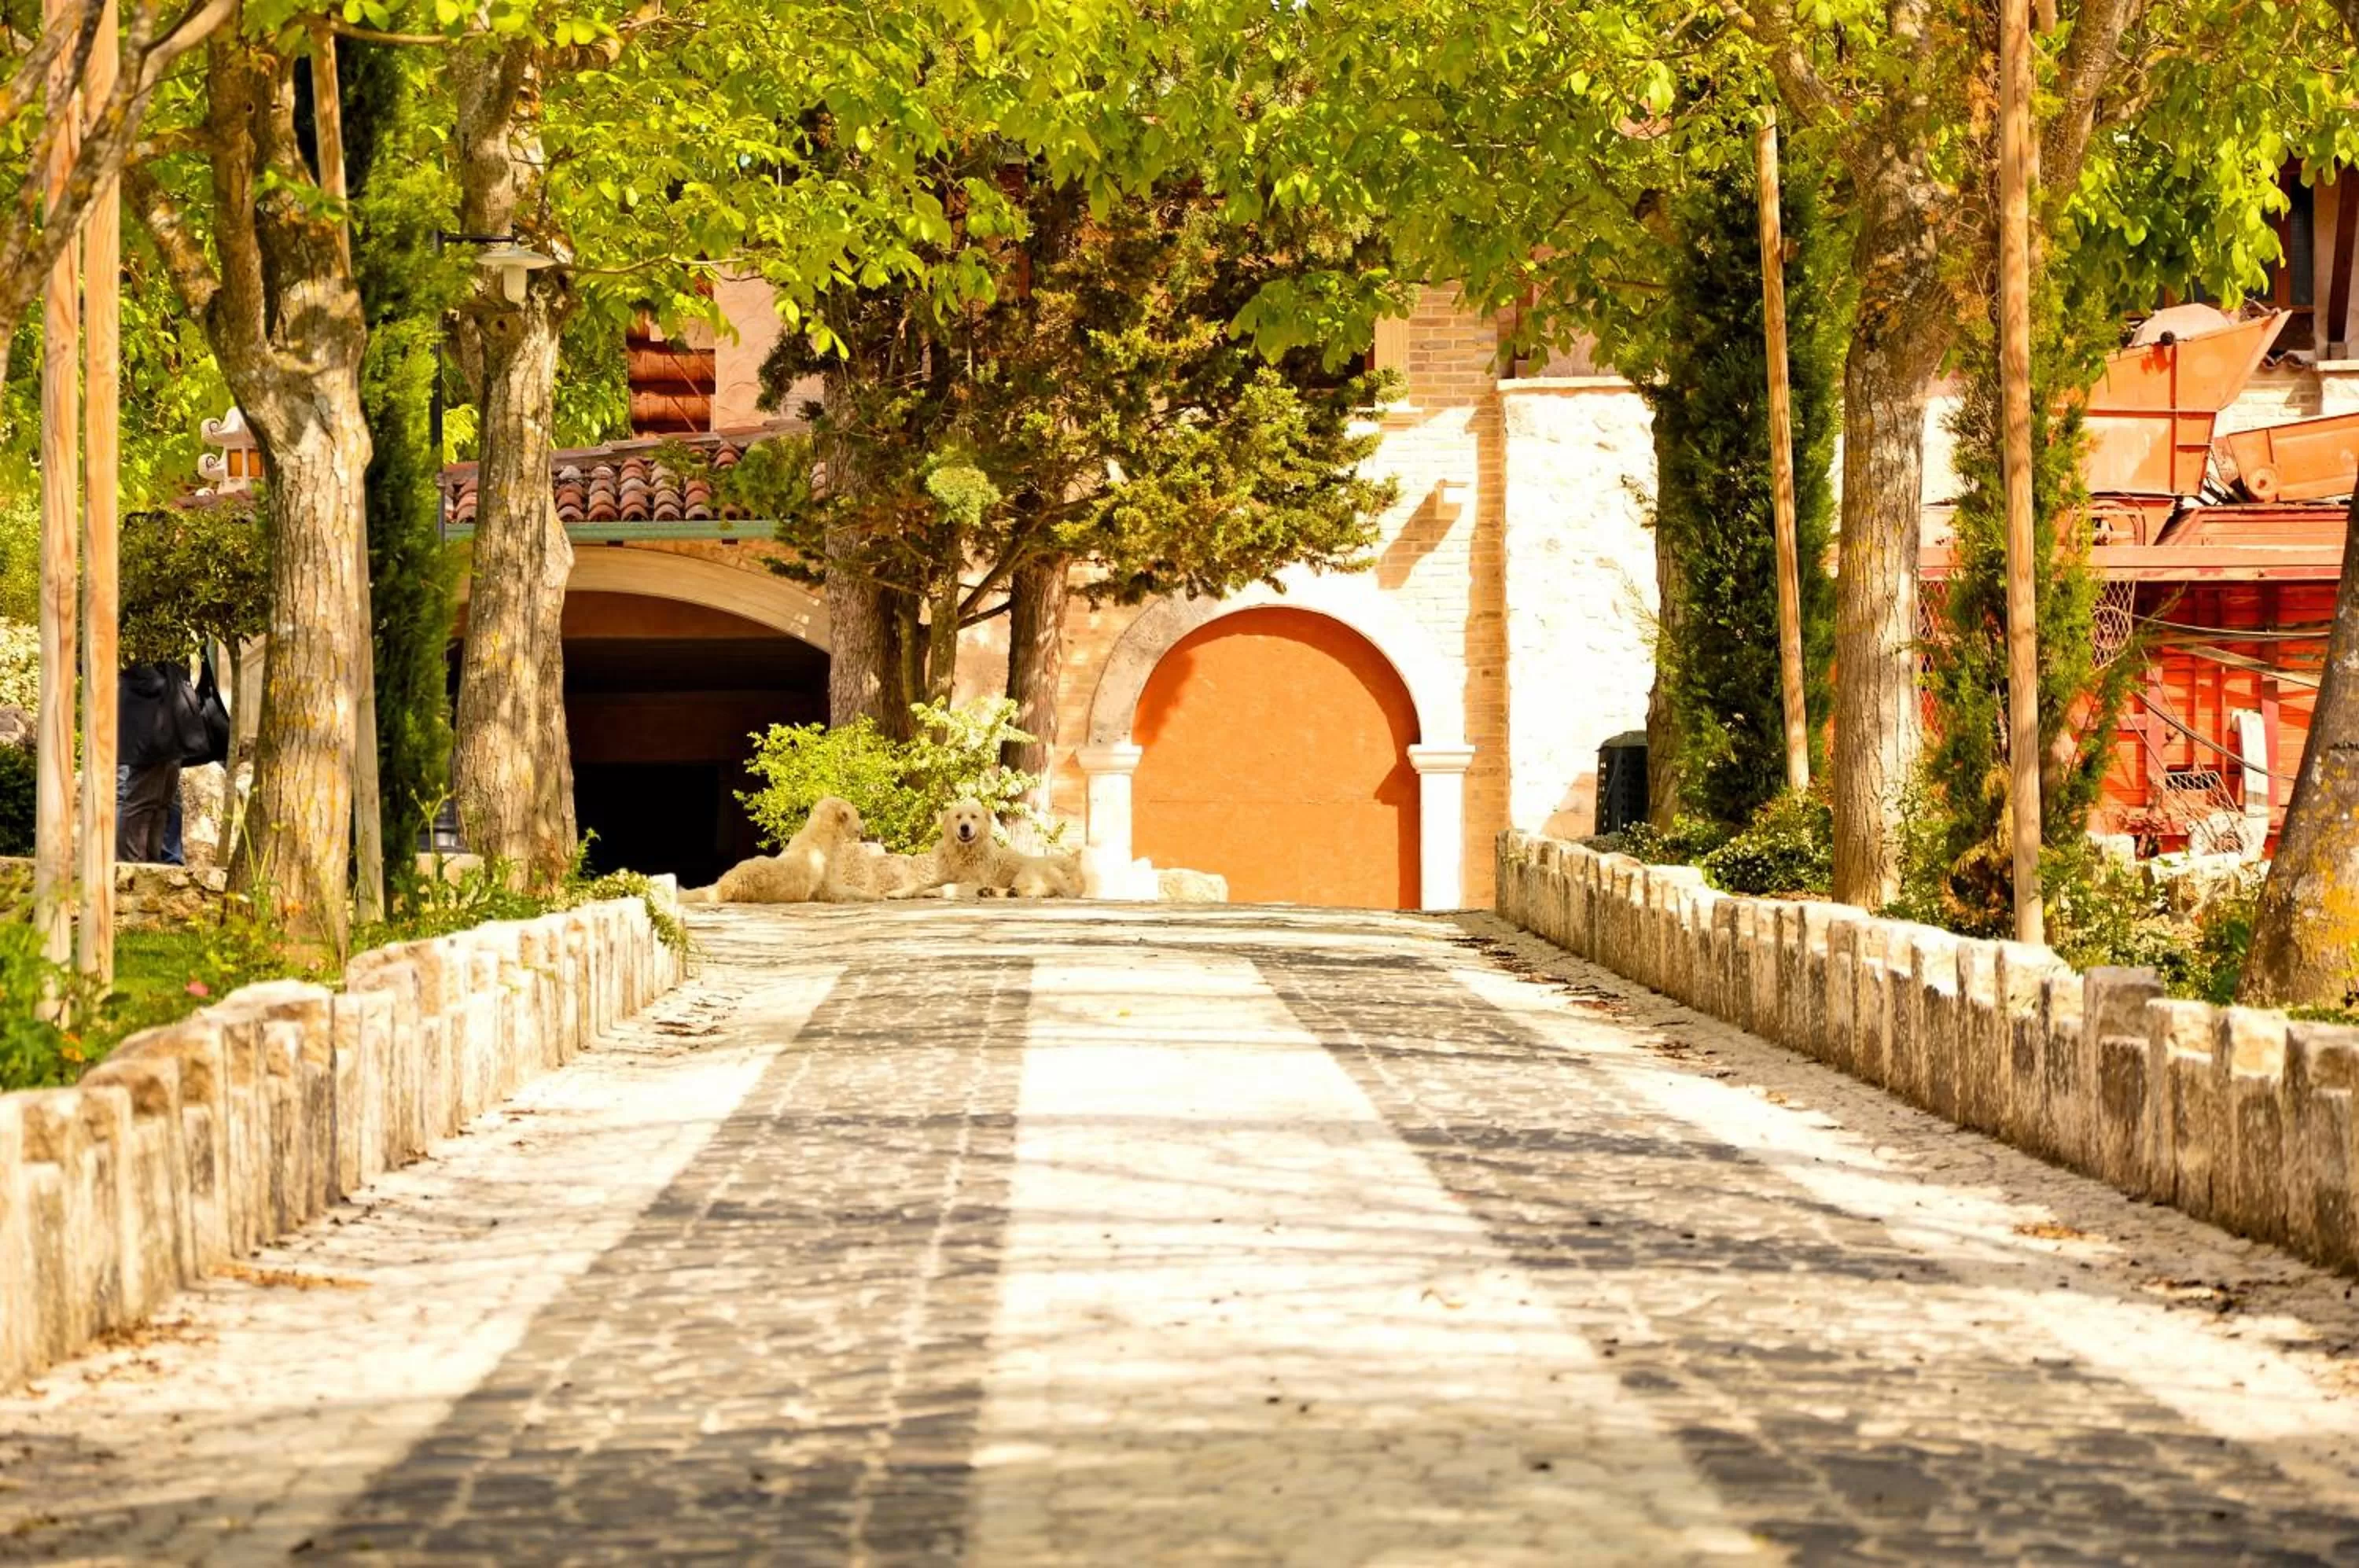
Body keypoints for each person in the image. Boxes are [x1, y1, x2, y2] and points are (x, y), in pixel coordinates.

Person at [116, 661, 200, 863]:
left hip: (168, 714)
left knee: (164, 801)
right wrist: (156, 682)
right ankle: (131, 864)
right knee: (139, 798)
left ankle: (152, 862)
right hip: (148, 716)